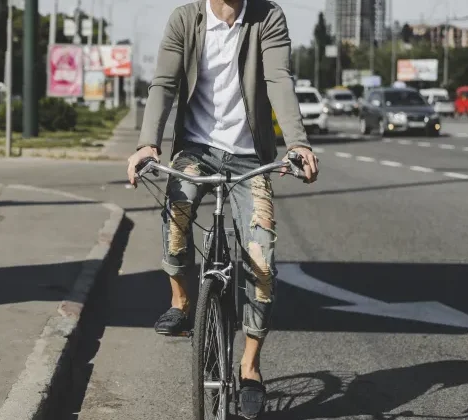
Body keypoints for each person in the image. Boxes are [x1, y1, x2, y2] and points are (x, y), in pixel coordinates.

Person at [124, 0, 320, 417]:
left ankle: (250, 367)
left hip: (250, 158)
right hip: (196, 150)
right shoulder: (185, 19)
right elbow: (163, 83)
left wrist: (297, 143)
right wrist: (147, 143)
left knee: (260, 255)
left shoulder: (267, 17)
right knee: (175, 219)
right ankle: (182, 302)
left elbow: (279, 78)